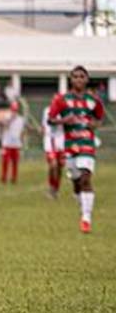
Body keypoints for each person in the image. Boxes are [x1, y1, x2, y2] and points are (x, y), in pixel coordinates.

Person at [48, 66, 105, 233]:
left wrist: (93, 124)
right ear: (71, 80)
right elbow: (51, 119)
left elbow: (99, 119)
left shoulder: (93, 100)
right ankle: (82, 202)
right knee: (76, 181)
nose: (79, 79)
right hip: (70, 145)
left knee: (86, 178)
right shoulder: (61, 100)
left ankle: (86, 218)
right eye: (75, 77)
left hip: (87, 143)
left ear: (87, 79)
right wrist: (64, 120)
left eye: (82, 76)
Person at [0, 101, 26, 184]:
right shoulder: (6, 116)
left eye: (15, 110)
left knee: (15, 162)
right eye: (13, 109)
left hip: (16, 143)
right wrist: (10, 119)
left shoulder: (21, 119)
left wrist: (22, 139)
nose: (14, 112)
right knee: (5, 161)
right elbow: (3, 125)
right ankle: (4, 177)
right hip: (7, 143)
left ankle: (14, 178)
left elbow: (22, 131)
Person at [41, 104, 66, 198]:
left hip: (61, 140)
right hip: (49, 141)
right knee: (53, 165)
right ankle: (51, 188)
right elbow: (45, 124)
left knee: (59, 167)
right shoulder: (47, 110)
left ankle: (56, 189)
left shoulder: (65, 110)